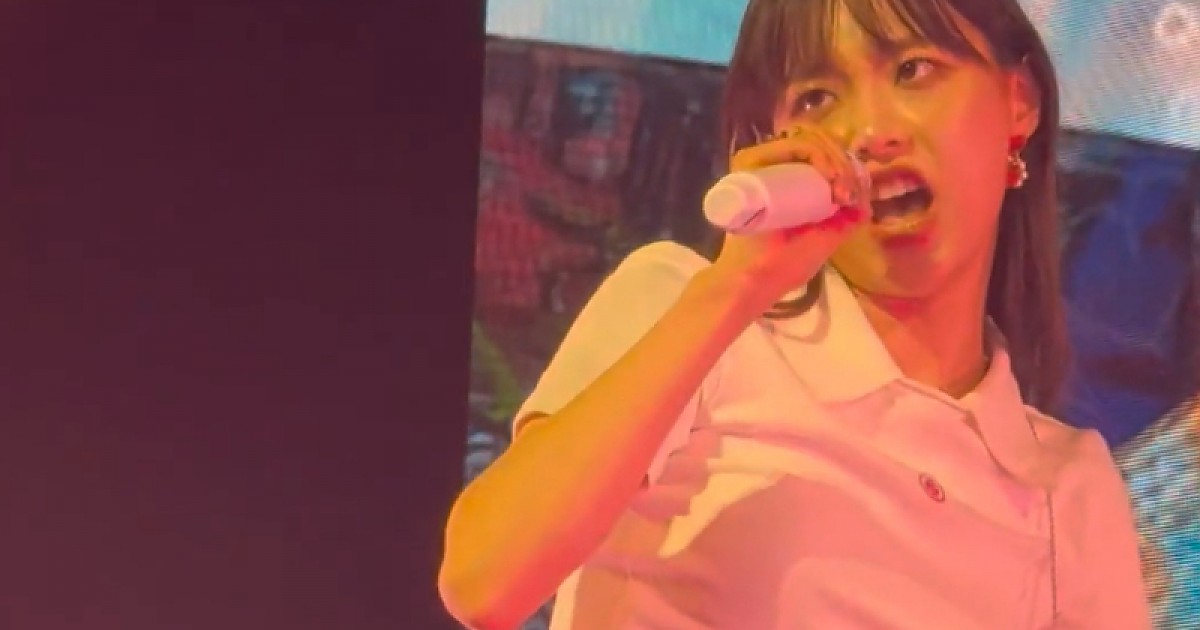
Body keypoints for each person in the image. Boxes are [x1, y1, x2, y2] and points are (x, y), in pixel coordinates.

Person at [439, 0, 1152, 628]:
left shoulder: (1069, 486)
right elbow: (484, 581)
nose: (870, 131)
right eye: (816, 97)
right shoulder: (687, 306)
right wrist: (739, 286)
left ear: (1018, 101)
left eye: (912, 70)